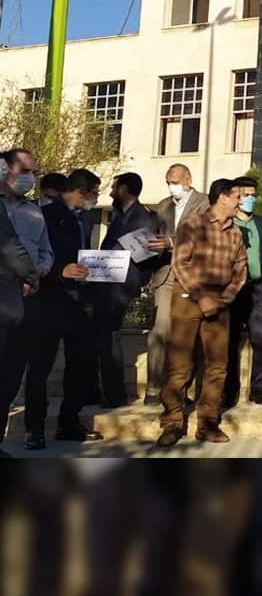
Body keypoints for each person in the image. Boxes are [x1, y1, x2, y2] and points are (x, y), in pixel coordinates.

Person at [157, 179, 248, 447]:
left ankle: (207, 422)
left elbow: (240, 269)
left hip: (220, 302)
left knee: (217, 366)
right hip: (188, 297)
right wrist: (201, 296)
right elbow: (180, 263)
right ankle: (172, 423)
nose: (241, 202)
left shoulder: (235, 232)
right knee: (179, 365)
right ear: (222, 197)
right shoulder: (193, 225)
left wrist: (225, 297)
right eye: (237, 197)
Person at [28, 168, 105, 445]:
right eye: (94, 193)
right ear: (81, 192)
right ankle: (34, 429)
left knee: (81, 363)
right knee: (40, 367)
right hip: (48, 300)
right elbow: (33, 257)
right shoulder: (45, 216)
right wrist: (60, 271)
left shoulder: (83, 218)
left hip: (77, 301)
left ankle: (69, 422)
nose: (95, 198)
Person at [144, 165, 209, 406]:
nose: (172, 186)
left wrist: (171, 243)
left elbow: (202, 235)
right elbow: (157, 236)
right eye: (168, 182)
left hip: (191, 276)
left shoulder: (204, 203)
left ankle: (182, 389)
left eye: (175, 181)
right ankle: (153, 388)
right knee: (160, 331)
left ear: (188, 179)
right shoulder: (163, 206)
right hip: (166, 274)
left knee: (187, 335)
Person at [0, 150, 52, 449]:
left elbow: (46, 251)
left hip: (27, 300)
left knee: (11, 375)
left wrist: (38, 273)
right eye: (24, 171)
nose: (30, 178)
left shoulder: (34, 212)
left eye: (33, 172)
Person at [92, 172, 155, 407]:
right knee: (102, 338)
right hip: (105, 282)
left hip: (120, 286)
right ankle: (105, 391)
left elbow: (142, 257)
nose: (111, 192)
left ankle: (114, 394)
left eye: (115, 187)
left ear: (125, 190)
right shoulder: (119, 215)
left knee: (109, 338)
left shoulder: (141, 218)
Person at [224, 177, 262, 407]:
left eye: (253, 195)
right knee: (230, 341)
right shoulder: (228, 223)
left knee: (261, 339)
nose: (250, 199)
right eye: (245, 195)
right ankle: (229, 391)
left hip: (259, 287)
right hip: (233, 289)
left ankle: (258, 390)